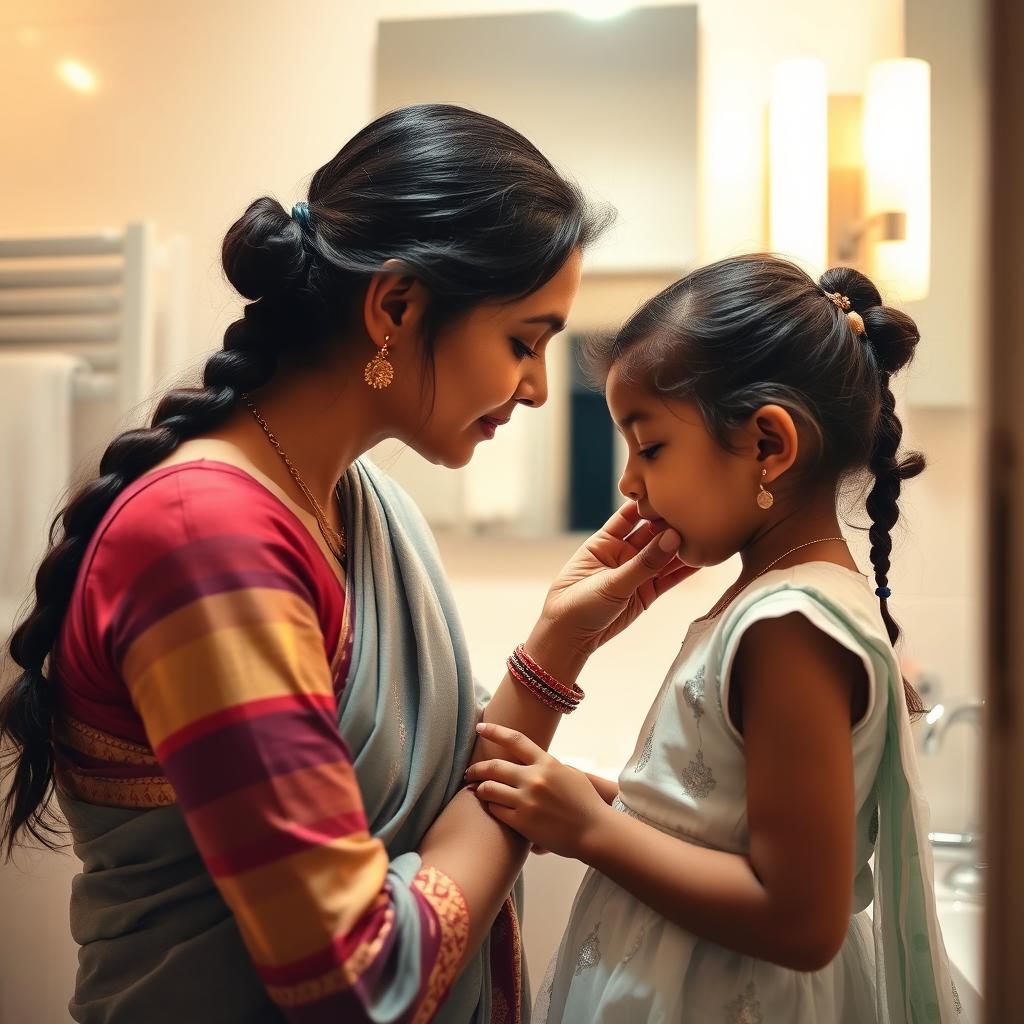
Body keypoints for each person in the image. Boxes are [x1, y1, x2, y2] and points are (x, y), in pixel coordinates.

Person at [0, 104, 691, 1023]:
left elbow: (452, 796)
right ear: (397, 307)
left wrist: (562, 640)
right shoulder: (207, 540)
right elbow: (360, 983)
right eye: (523, 342)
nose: (533, 387)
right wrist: (532, 818)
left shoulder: (359, 506)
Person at [467, 255, 967, 1022]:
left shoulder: (789, 627)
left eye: (652, 447)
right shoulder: (765, 601)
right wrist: (586, 796)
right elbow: (710, 827)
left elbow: (802, 920)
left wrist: (591, 829)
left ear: (769, 445)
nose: (630, 484)